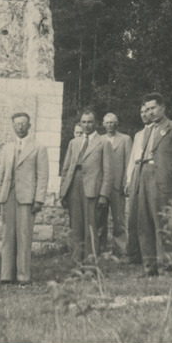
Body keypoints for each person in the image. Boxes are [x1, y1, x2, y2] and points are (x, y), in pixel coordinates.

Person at [131, 93, 172, 276]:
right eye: (147, 109)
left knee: (163, 224)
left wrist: (170, 178)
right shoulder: (147, 131)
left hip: (162, 180)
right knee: (144, 223)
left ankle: (167, 267)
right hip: (144, 176)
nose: (150, 112)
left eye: (153, 108)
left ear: (163, 107)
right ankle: (149, 267)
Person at [0, 112, 48, 285]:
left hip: (27, 197)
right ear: (13, 126)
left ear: (29, 126)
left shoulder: (38, 148)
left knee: (24, 236)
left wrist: (39, 199)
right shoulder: (7, 148)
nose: (20, 127)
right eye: (17, 124)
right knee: (7, 236)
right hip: (8, 196)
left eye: (23, 124)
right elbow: (2, 174)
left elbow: (42, 176)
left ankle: (23, 276)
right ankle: (6, 275)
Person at [59, 109, 113, 268]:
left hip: (92, 188)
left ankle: (90, 267)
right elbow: (66, 168)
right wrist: (63, 191)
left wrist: (104, 194)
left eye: (90, 122)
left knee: (91, 228)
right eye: (84, 122)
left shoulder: (103, 143)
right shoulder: (74, 143)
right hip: (74, 184)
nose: (86, 125)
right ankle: (77, 265)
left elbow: (108, 171)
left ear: (95, 123)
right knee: (76, 228)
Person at [98, 113, 132, 256]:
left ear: (117, 123)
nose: (110, 125)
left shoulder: (125, 139)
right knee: (100, 219)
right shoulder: (98, 140)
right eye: (107, 123)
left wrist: (126, 183)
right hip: (102, 187)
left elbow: (129, 163)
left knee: (119, 220)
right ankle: (99, 249)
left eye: (112, 122)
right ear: (103, 124)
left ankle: (120, 250)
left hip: (118, 186)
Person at [125, 103, 152, 265]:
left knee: (146, 214)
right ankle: (133, 255)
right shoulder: (138, 135)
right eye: (141, 112)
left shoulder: (156, 133)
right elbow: (131, 160)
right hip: (136, 171)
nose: (144, 115)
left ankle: (147, 254)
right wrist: (129, 180)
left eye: (146, 111)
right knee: (133, 216)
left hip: (149, 172)